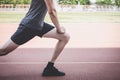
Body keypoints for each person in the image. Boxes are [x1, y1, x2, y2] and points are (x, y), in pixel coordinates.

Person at [0, 0, 70, 77]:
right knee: (3, 51)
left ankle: (49, 68)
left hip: (38, 24)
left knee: (65, 37)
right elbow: (52, 12)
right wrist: (58, 28)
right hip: (30, 26)